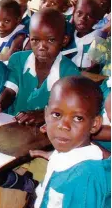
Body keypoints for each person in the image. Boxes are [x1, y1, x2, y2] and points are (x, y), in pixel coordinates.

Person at [0, 8, 80, 123]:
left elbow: (66, 109)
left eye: (50, 40)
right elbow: (11, 90)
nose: (41, 47)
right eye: (35, 40)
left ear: (64, 40)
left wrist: (42, 115)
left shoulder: (70, 73)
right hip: (12, 124)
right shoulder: (18, 59)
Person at [31, 76, 110, 208]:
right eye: (56, 114)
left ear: (94, 124)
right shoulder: (67, 156)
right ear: (46, 115)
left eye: (78, 118)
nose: (64, 126)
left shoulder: (84, 178)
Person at [62, 0, 105, 71]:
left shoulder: (98, 37)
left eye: (89, 16)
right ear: (73, 14)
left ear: (96, 20)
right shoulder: (69, 33)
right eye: (79, 13)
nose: (83, 18)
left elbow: (95, 67)